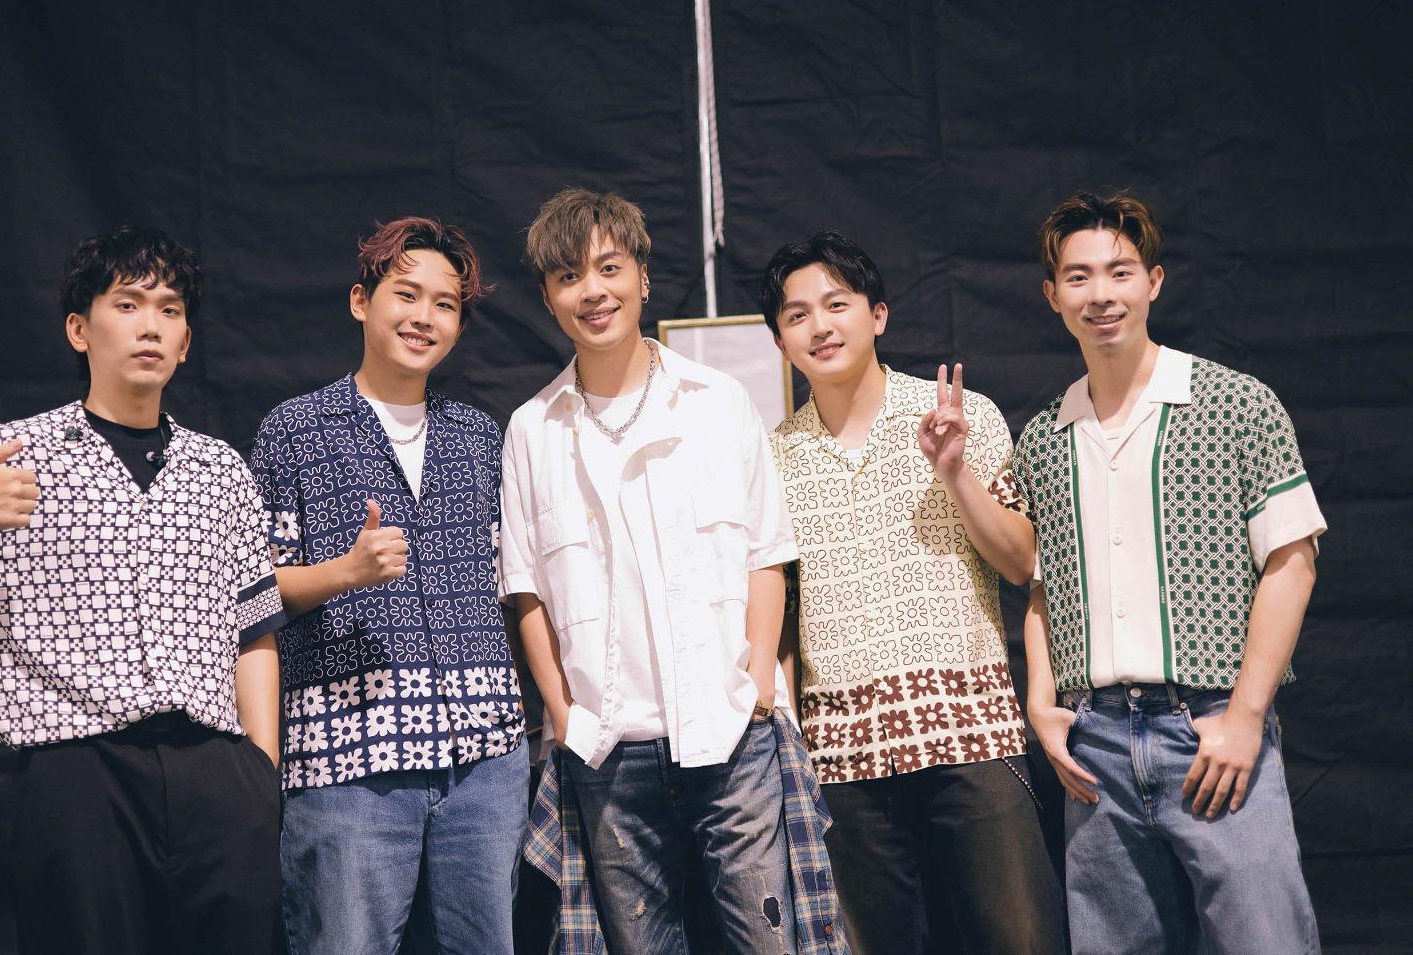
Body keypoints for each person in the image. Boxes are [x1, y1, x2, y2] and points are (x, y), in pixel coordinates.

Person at [0, 226, 286, 955]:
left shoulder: (220, 470)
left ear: (185, 342)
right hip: (78, 770)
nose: (151, 325)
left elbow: (254, 627)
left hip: (216, 772)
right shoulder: (20, 453)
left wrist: (260, 769)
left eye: (170, 310)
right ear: (80, 330)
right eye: (129, 304)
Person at [501, 188, 844, 954]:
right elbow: (526, 591)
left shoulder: (717, 400)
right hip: (608, 749)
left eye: (609, 268)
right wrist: (565, 715)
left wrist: (757, 685)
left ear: (643, 277)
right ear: (549, 299)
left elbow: (767, 553)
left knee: (771, 943)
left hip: (730, 734)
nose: (593, 291)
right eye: (568, 276)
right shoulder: (533, 429)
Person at [1014, 191, 1325, 953]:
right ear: (1052, 295)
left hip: (1211, 725)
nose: (1101, 294)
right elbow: (1044, 587)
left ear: (1153, 281)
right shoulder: (1045, 437)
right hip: (1095, 745)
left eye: (1119, 272)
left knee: (1266, 941)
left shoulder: (1236, 405)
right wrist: (1042, 701)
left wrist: (1245, 717)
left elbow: (1292, 563)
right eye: (1079, 277)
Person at [760, 231, 1064, 954]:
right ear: (780, 340)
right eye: (798, 315)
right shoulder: (772, 456)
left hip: (970, 731)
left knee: (1020, 940)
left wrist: (954, 470)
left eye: (837, 304)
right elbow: (780, 616)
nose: (820, 326)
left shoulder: (959, 414)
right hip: (842, 754)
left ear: (878, 315)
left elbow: (1023, 562)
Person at [249, 217, 527, 954]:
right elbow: (249, 594)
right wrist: (345, 573)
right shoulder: (297, 430)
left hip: (484, 755)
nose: (423, 316)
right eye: (406, 294)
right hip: (349, 753)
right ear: (359, 302)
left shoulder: (479, 435)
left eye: (445, 304)